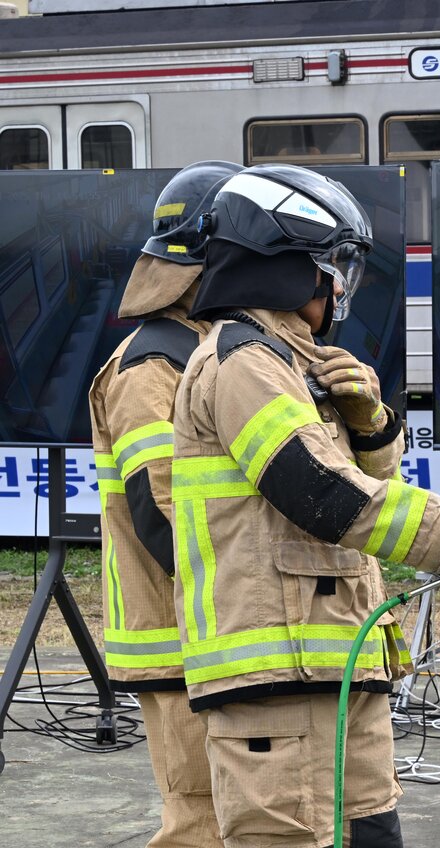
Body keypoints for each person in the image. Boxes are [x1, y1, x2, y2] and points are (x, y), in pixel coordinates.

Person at [171, 163, 440, 848]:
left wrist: (370, 424)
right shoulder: (241, 363)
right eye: (333, 266)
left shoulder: (289, 362)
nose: (341, 286)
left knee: (373, 833)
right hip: (277, 686)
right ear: (287, 267)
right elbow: (320, 495)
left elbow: (357, 480)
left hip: (331, 673)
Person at [87, 159, 242, 848]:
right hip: (180, 640)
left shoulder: (206, 353)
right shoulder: (151, 368)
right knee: (201, 822)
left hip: (215, 634)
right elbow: (162, 515)